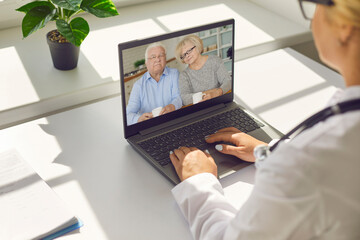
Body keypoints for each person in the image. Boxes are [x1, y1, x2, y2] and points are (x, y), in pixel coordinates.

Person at [169, 0, 360, 239]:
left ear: (344, 26)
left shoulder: (308, 163)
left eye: (315, 4)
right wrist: (269, 151)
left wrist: (198, 183)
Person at [126, 42, 182, 125]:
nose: (157, 59)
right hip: (150, 126)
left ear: (165, 58)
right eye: (153, 57)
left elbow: (178, 97)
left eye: (161, 55)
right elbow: (128, 115)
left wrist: (172, 106)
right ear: (146, 63)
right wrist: (138, 119)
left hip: (172, 121)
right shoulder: (138, 85)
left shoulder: (174, 74)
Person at [175, 34, 231, 106]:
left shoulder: (214, 61)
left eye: (189, 50)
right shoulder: (184, 75)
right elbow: (184, 99)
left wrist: (217, 92)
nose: (187, 56)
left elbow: (228, 81)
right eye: (183, 55)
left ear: (198, 46)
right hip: (199, 109)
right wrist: (210, 92)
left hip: (219, 103)